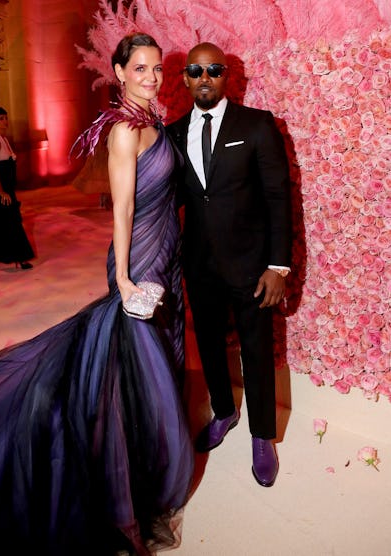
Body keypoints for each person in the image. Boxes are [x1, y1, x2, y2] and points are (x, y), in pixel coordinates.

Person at [0, 33, 193, 555]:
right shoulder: (124, 130)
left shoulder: (152, 120)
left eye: (158, 67)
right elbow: (120, 209)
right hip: (139, 261)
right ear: (118, 71)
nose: (152, 76)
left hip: (166, 255)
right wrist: (122, 279)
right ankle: (125, 510)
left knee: (146, 369)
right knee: (139, 372)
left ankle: (142, 464)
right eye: (139, 67)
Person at [168, 42, 291, 488]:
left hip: (252, 267)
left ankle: (263, 437)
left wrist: (278, 267)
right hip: (200, 268)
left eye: (214, 70)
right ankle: (224, 411)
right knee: (213, 350)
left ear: (227, 77)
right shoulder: (174, 133)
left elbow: (278, 197)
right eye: (196, 71)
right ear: (184, 78)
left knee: (257, 352)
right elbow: (173, 201)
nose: (205, 78)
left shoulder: (257, 125)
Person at [0, 106, 34, 269]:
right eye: (1, 118)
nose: (5, 121)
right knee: (10, 222)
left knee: (9, 221)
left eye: (5, 117)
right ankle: (20, 258)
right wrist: (0, 191)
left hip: (7, 186)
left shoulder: (3, 138)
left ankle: (18, 258)